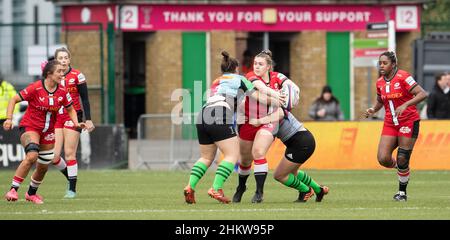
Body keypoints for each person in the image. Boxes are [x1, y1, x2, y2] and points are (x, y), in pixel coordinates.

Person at [183, 51, 281, 204]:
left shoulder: (217, 80)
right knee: (232, 156)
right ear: (236, 68)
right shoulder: (241, 79)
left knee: (206, 157)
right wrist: (277, 101)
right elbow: (258, 97)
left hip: (203, 114)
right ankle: (216, 188)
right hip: (219, 114)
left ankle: (190, 186)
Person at [3, 60, 84, 204]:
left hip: (48, 131)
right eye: (58, 71)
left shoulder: (63, 92)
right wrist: (9, 119)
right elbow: (14, 99)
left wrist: (77, 123)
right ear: (49, 74)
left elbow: (70, 108)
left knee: (43, 165)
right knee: (32, 155)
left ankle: (31, 194)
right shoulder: (36, 88)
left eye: (62, 71)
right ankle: (13, 189)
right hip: (30, 127)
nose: (62, 73)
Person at [233, 50, 297, 203]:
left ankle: (259, 192)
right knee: (245, 160)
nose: (256, 66)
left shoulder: (277, 78)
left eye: (260, 64)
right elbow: (260, 94)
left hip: (268, 122)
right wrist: (278, 98)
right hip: (249, 121)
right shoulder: (250, 77)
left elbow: (290, 90)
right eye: (255, 63)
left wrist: (293, 95)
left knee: (258, 152)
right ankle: (241, 187)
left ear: (269, 66)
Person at [363, 51, 427, 201]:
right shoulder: (379, 82)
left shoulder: (404, 76)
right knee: (383, 158)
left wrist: (406, 104)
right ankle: (400, 169)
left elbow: (422, 93)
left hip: (408, 121)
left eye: (385, 63)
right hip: (390, 123)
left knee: (403, 158)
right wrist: (373, 109)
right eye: (380, 63)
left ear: (393, 64)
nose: (381, 66)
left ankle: (402, 193)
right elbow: (380, 100)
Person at [249, 106, 329, 202]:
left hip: (300, 143)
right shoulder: (267, 107)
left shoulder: (273, 108)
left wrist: (258, 121)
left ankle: (306, 190)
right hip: (302, 140)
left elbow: (279, 114)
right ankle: (318, 190)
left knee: (279, 175)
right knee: (292, 173)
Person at [51, 47, 95, 199]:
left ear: (69, 60)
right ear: (56, 61)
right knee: (54, 156)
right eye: (60, 58)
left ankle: (72, 189)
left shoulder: (77, 76)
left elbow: (85, 99)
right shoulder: (53, 77)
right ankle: (71, 178)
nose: (63, 61)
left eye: (65, 58)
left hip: (73, 116)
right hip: (57, 117)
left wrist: (88, 119)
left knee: (69, 153)